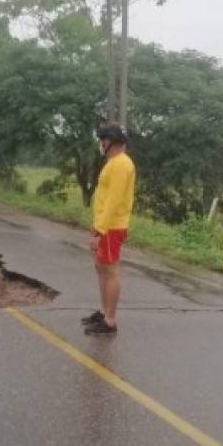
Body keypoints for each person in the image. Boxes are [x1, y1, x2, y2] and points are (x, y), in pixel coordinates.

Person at [82, 123, 136, 336]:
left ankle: (110, 321)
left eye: (102, 140)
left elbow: (113, 201)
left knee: (110, 271)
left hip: (111, 227)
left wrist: (100, 231)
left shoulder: (121, 164)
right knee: (101, 267)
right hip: (105, 225)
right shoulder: (113, 163)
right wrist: (95, 225)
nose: (100, 144)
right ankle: (104, 312)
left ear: (109, 142)